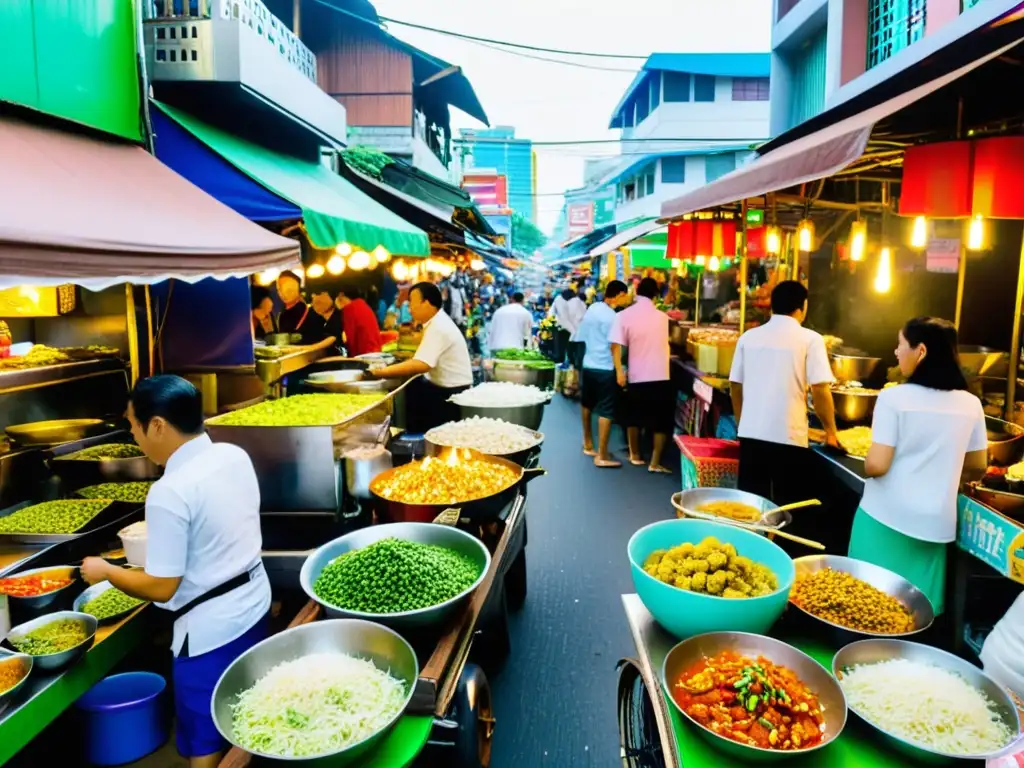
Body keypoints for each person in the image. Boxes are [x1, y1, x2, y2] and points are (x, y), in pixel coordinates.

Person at [80, 376, 270, 768]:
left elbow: (163, 587)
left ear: (158, 425)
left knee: (206, 741)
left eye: (133, 425)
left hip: (209, 634)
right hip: (254, 606)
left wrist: (107, 571)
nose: (133, 435)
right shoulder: (234, 455)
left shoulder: (169, 491)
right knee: (246, 718)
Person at [849, 317, 987, 615]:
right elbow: (977, 465)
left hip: (884, 518)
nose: (896, 352)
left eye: (900, 345)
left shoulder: (893, 398)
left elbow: (877, 465)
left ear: (920, 351)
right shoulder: (970, 404)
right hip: (935, 524)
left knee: (865, 605)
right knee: (915, 614)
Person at [729, 281, 837, 508]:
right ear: (803, 307)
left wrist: (742, 422)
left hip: (751, 435)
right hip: (789, 437)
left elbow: (735, 387)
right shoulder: (811, 339)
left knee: (750, 507)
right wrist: (830, 432)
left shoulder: (748, 337)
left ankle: (750, 543)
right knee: (786, 508)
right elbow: (820, 390)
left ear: (771, 306)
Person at [369, 282, 473, 433]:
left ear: (427, 303)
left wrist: (381, 372)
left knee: (438, 435)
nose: (409, 306)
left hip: (451, 394)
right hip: (441, 388)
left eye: (412, 301)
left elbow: (422, 364)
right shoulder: (435, 322)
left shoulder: (439, 326)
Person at [609, 277, 672, 473]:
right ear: (655, 295)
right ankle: (654, 462)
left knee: (633, 416)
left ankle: (635, 455)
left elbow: (615, 346)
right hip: (660, 373)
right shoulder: (663, 318)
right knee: (661, 420)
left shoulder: (624, 316)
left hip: (636, 374)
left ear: (636, 292)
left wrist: (619, 371)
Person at [575, 280, 629, 467]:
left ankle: (588, 443)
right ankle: (602, 456)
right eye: (626, 295)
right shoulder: (613, 317)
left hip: (588, 364)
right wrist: (620, 372)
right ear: (620, 294)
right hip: (605, 368)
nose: (627, 299)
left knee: (587, 403)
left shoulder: (593, 309)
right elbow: (615, 346)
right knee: (606, 409)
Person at [275, 270, 325, 346]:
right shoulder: (281, 315)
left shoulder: (312, 312)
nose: (283, 293)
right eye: (279, 289)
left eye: (288, 289)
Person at [335, 286, 382, 357]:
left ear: (341, 295)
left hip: (364, 355)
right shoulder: (363, 305)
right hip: (376, 353)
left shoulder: (349, 309)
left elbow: (350, 339)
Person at [549, 288, 575, 363]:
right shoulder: (559, 299)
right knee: (563, 349)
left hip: (562, 328)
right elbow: (552, 313)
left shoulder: (559, 299)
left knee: (560, 349)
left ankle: (561, 361)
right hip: (562, 328)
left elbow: (551, 313)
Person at [565, 290, 588, 370]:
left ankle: (573, 372)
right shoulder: (581, 304)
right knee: (579, 358)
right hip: (581, 336)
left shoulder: (570, 303)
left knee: (571, 356)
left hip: (572, 334)